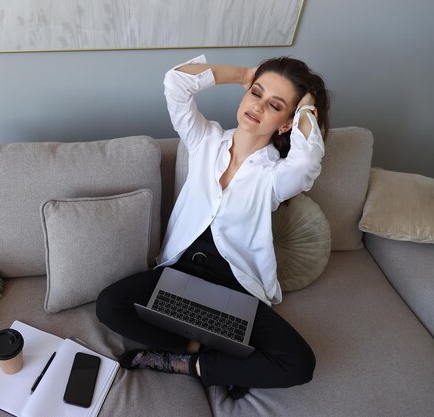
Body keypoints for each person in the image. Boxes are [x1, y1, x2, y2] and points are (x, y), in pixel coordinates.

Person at [96, 55, 330, 399]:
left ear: (286, 124)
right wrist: (244, 74)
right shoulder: (205, 140)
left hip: (236, 288)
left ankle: (190, 365)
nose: (258, 106)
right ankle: (198, 350)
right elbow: (175, 82)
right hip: (179, 276)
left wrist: (308, 106)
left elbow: (308, 159)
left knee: (299, 363)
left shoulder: (277, 177)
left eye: (274, 105)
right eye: (256, 93)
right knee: (109, 305)